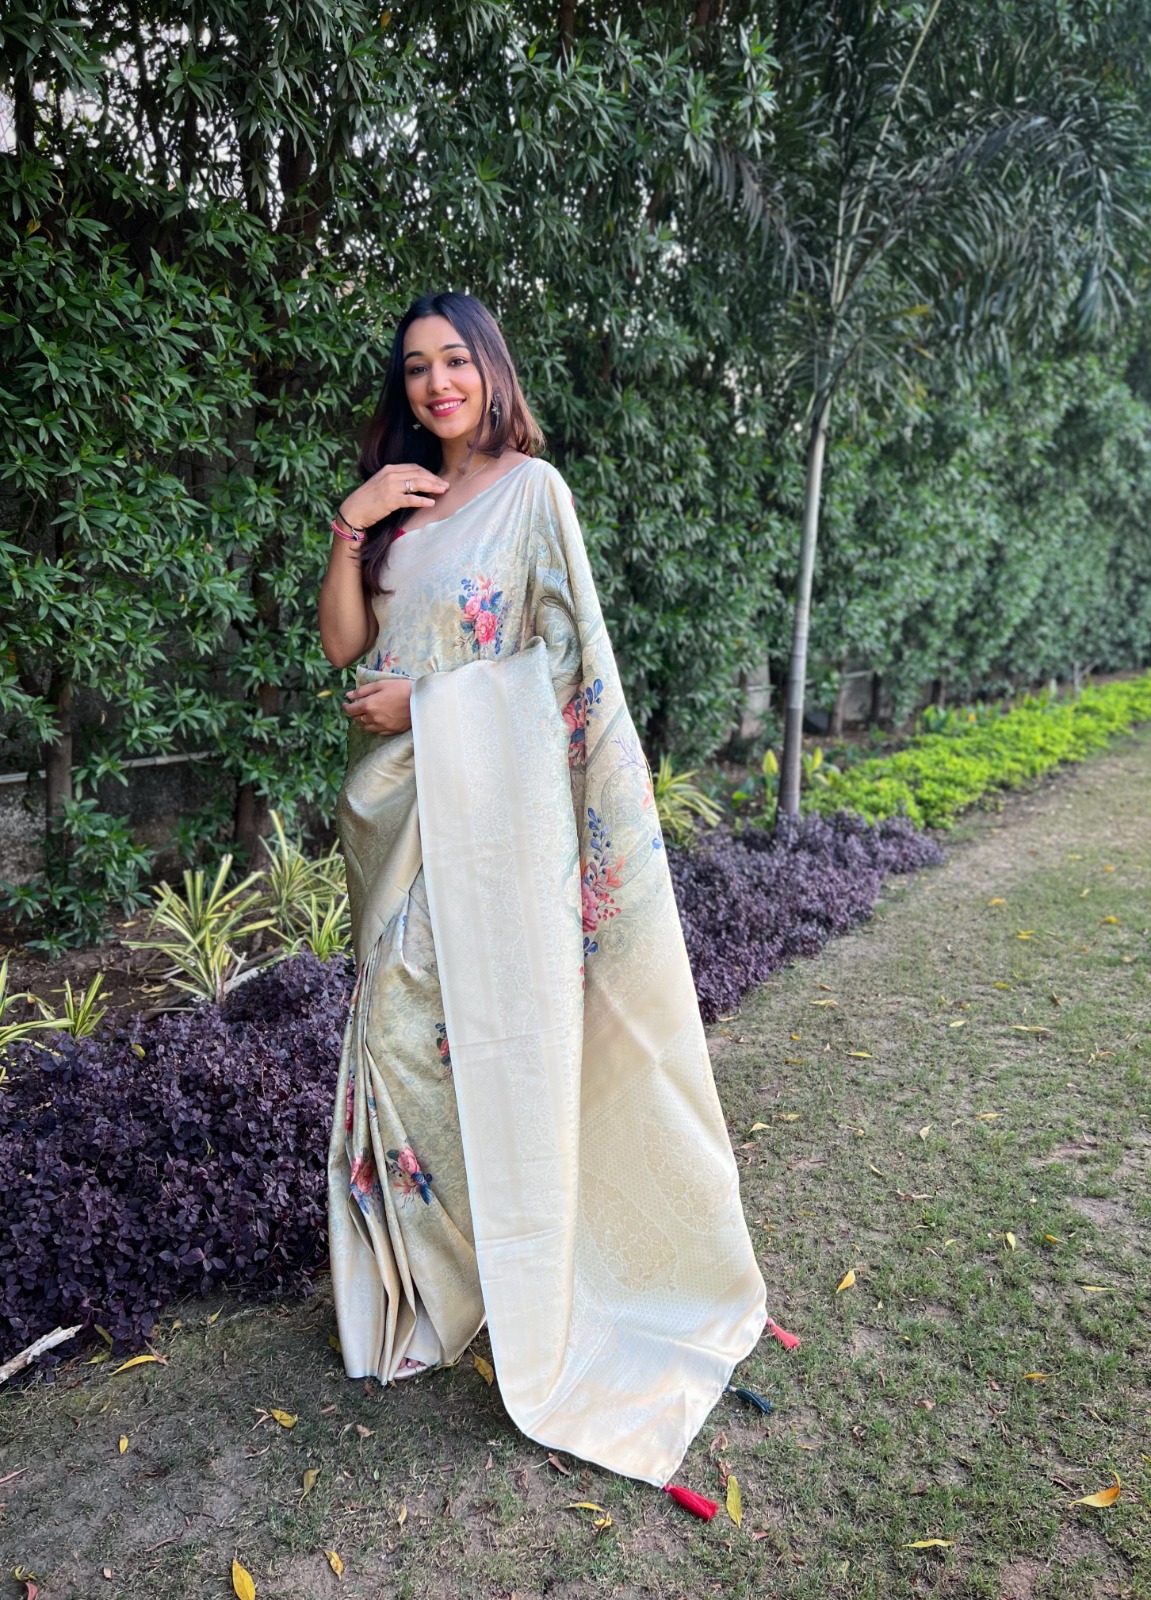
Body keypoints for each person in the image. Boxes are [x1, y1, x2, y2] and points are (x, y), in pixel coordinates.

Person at [318, 292, 768, 1488]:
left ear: (490, 368)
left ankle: (483, 1280)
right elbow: (343, 648)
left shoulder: (533, 493)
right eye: (416, 366)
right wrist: (350, 522)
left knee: (434, 1036)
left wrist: (428, 703)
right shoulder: (400, 503)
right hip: (391, 815)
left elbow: (564, 665)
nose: (436, 383)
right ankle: (434, 1292)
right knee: (398, 1036)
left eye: (454, 360)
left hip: (481, 819)